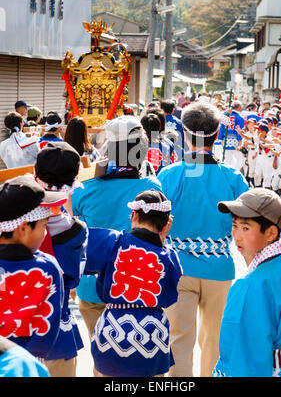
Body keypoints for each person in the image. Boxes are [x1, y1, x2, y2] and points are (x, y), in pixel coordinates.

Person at [157, 101, 249, 377]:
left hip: (178, 268)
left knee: (179, 340)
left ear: (184, 134)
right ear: (217, 132)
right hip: (220, 267)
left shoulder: (170, 175)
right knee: (215, 342)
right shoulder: (234, 178)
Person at [71, 115, 163, 361]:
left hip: (92, 286)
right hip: (136, 287)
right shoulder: (153, 187)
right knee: (134, 359)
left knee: (101, 358)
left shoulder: (86, 186)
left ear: (109, 148)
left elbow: (71, 218)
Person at [84, 190, 182, 377]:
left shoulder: (113, 241)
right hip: (152, 335)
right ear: (166, 223)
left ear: (134, 215)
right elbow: (169, 298)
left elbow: (79, 250)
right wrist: (160, 242)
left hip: (113, 329)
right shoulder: (169, 256)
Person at [214, 188, 281, 377]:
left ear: (270, 233)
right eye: (234, 225)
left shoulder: (250, 286)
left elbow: (240, 360)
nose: (237, 235)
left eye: (246, 228)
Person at [34, 141, 88, 377]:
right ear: (73, 180)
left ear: (36, 174)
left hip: (10, 331)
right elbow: (73, 279)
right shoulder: (75, 230)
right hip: (56, 329)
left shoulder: (10, 220)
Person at [0, 175, 67, 360]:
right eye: (44, 226)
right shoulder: (47, 268)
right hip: (27, 364)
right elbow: (50, 326)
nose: (45, 233)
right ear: (23, 228)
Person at [216, 101, 245, 171]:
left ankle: (227, 172)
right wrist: (240, 141)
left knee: (227, 159)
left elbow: (222, 128)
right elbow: (239, 130)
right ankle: (235, 172)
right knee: (239, 158)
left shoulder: (226, 117)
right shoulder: (240, 118)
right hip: (235, 141)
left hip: (226, 140)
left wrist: (220, 138)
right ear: (239, 108)